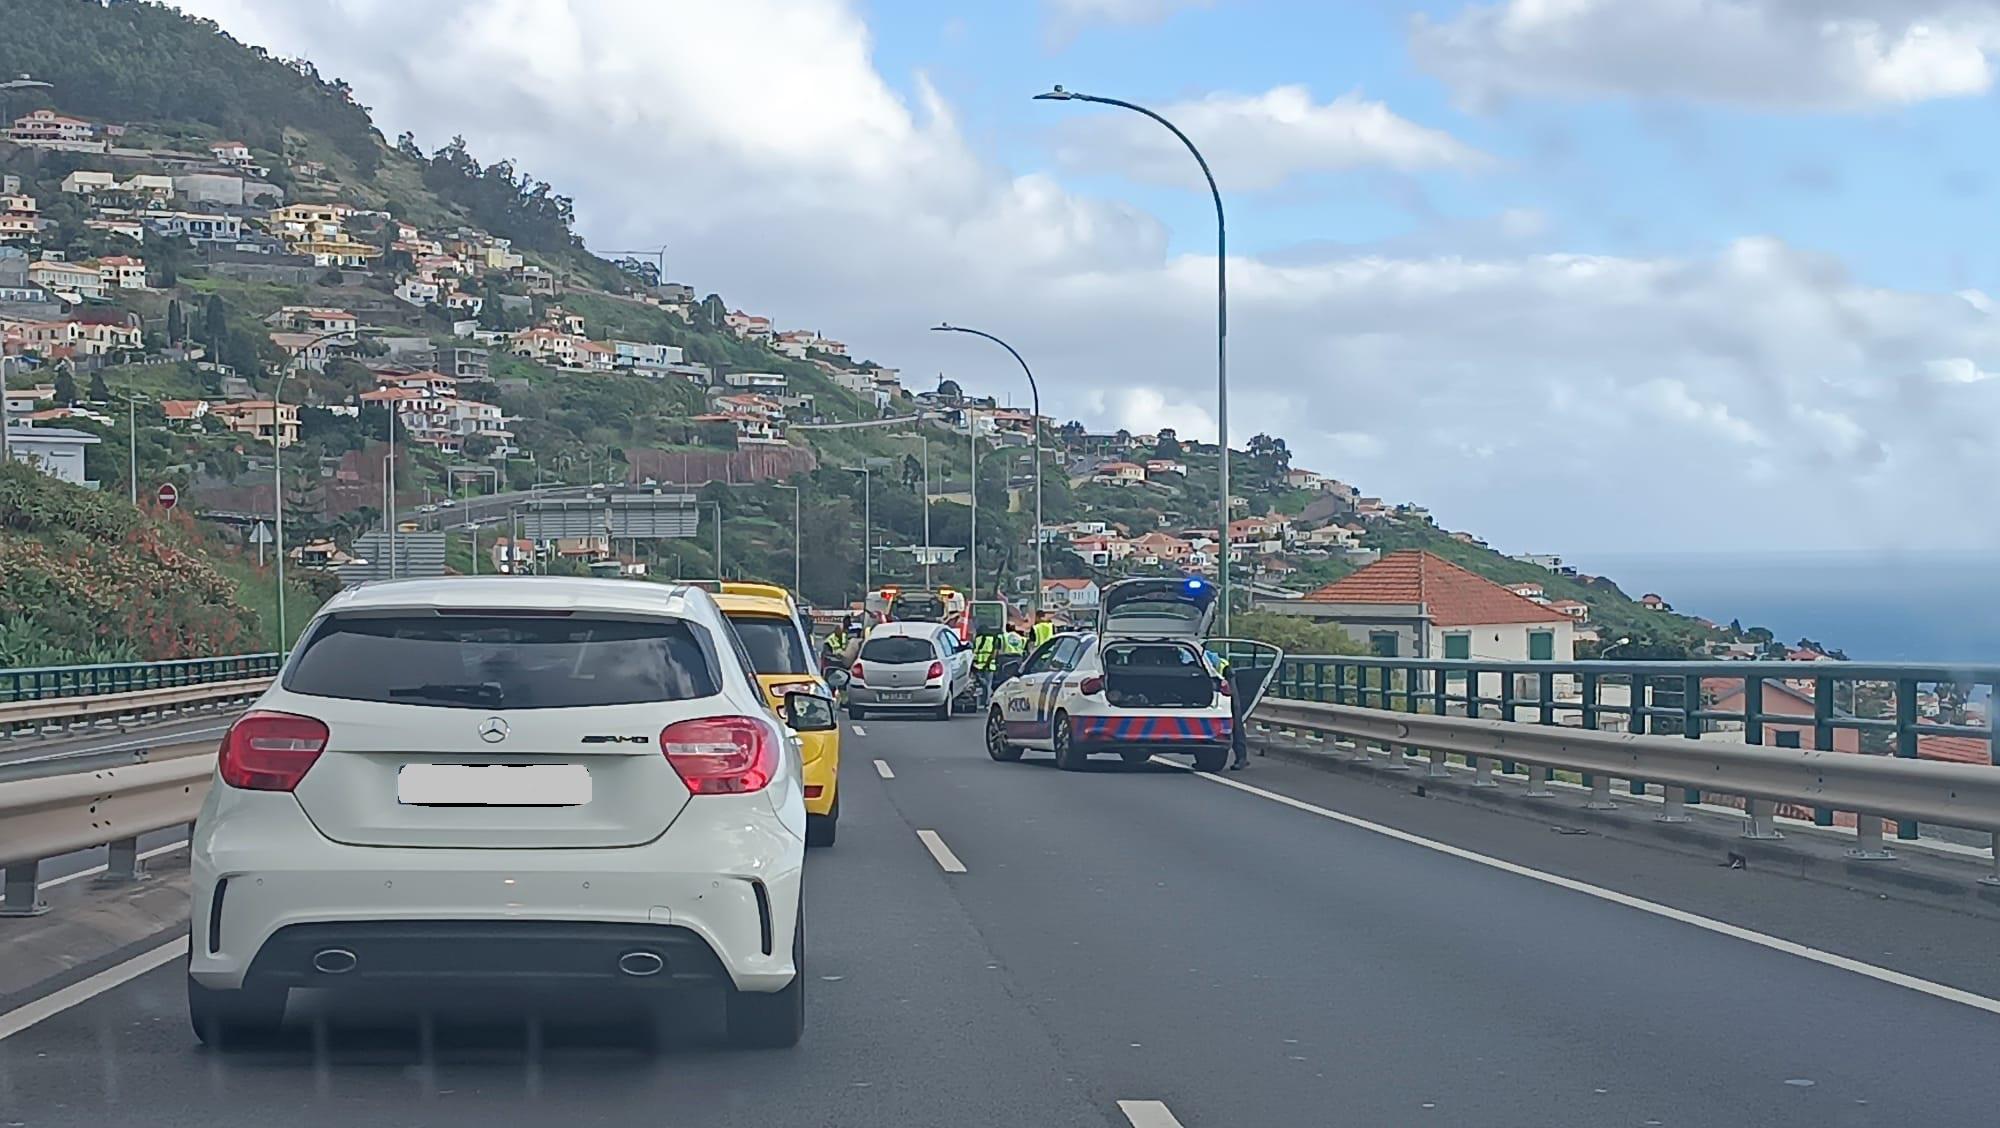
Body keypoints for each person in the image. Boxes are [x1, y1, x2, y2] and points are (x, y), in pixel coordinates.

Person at [971, 628, 1000, 706]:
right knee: (988, 684)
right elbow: (994, 653)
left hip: (978, 665)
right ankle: (987, 702)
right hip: (989, 665)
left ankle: (979, 701)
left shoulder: (977, 639)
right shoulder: (993, 638)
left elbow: (973, 651)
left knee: (979, 683)